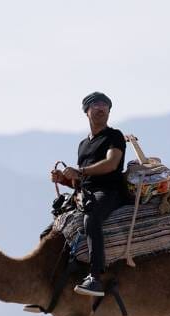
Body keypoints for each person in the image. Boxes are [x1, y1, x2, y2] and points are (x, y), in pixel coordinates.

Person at [50, 91, 128, 297]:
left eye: (105, 105)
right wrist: (64, 180)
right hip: (86, 192)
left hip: (110, 191)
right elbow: (81, 180)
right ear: (87, 111)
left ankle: (95, 277)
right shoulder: (83, 145)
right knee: (54, 228)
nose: (101, 108)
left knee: (91, 219)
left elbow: (111, 164)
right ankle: (50, 281)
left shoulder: (115, 136)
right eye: (96, 105)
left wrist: (81, 171)